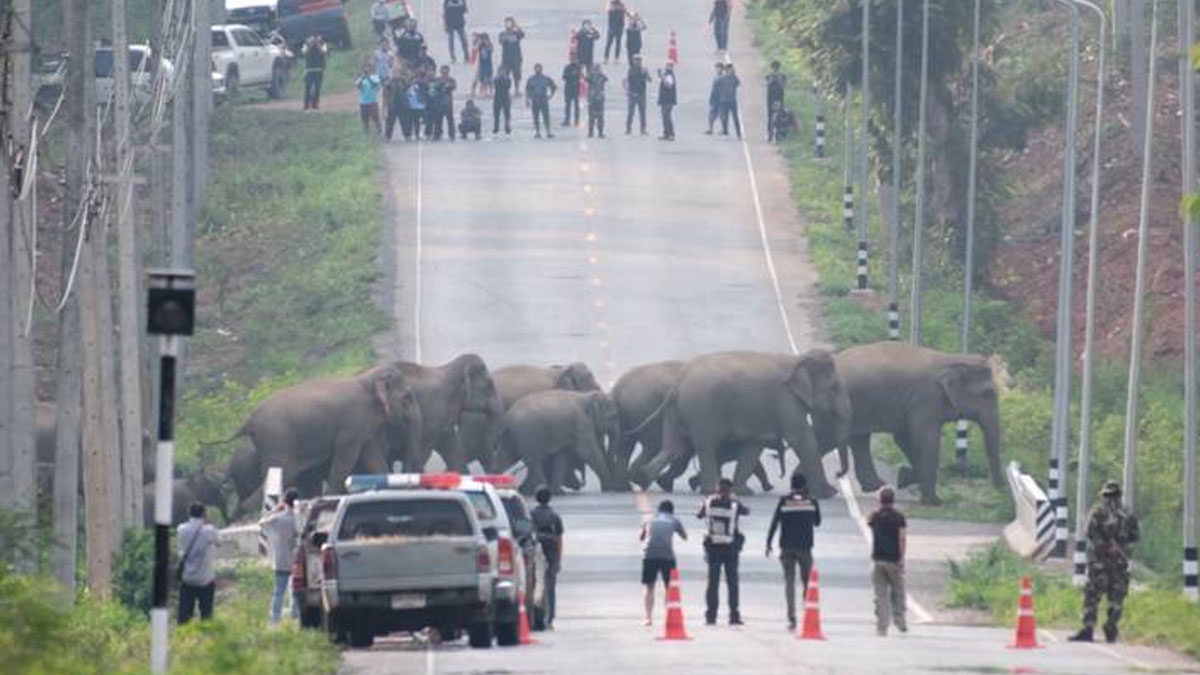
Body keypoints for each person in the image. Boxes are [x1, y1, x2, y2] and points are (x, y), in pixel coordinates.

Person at [1069, 481, 1140, 643]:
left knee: (1092, 596)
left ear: (1104, 495)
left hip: (1099, 563)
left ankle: (1088, 628)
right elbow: (1135, 537)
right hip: (1119, 563)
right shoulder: (1128, 515)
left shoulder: (1098, 512)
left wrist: (1106, 547)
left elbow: (1090, 533)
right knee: (1116, 598)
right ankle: (1111, 628)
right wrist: (1121, 548)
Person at [766, 471, 822, 630]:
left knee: (789, 581)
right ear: (805, 485)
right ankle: (807, 608)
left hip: (786, 547)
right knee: (807, 581)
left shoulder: (784, 501)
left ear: (791, 485)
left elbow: (774, 523)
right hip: (805, 547)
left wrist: (768, 543)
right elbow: (817, 522)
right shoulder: (812, 501)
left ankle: (791, 616)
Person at [697, 478, 748, 626]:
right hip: (731, 548)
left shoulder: (708, 502)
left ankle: (711, 616)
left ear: (717, 489)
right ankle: (734, 616)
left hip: (713, 548)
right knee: (732, 583)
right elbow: (746, 511)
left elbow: (699, 514)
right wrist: (736, 499)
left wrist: (707, 501)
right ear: (730, 490)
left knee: (712, 582)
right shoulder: (734, 504)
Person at [639, 499, 687, 627]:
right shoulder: (674, 519)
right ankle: (669, 617)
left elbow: (641, 537)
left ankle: (648, 618)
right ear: (672, 511)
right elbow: (684, 537)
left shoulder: (649, 519)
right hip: (667, 556)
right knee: (669, 588)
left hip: (649, 555)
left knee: (650, 588)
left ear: (658, 510)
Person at [868, 487, 908, 636]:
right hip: (894, 559)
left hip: (877, 558)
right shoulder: (899, 517)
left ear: (879, 500)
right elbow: (902, 538)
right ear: (893, 500)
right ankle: (900, 621)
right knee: (898, 592)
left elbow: (871, 526)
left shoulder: (874, 516)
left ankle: (882, 627)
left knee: (880, 595)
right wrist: (902, 558)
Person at [260, 488, 299, 623]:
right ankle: (295, 616)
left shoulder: (278, 518)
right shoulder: (299, 519)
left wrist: (276, 509)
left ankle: (275, 618)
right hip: (296, 560)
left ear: (285, 502)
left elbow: (262, 522)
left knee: (278, 591)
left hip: (281, 559)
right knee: (295, 590)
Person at [177, 502, 218, 624]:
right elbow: (219, 542)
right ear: (204, 514)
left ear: (189, 514)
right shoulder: (209, 530)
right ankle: (205, 635)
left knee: (184, 614)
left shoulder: (181, 529)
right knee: (206, 613)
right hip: (205, 579)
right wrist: (209, 522)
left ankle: (183, 636)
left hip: (187, 578)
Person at [531, 485, 565, 629]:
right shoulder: (554, 516)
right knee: (550, 586)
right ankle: (549, 619)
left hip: (535, 551)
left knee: (535, 584)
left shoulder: (530, 514)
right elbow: (559, 538)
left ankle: (535, 615)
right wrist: (559, 559)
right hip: (551, 551)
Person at [525, 63, 557, 139]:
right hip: (535, 100)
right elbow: (527, 90)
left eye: (539, 68)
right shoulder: (531, 79)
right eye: (536, 68)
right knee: (536, 117)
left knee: (546, 116)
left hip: (543, 99)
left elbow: (554, 86)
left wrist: (551, 95)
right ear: (534, 69)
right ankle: (537, 132)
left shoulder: (545, 78)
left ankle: (548, 132)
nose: (537, 70)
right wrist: (527, 100)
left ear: (541, 69)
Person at [623, 55, 651, 135]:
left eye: (639, 60)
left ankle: (643, 129)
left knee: (642, 112)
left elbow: (649, 80)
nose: (638, 62)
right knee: (631, 112)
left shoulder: (643, 70)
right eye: (636, 60)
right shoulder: (631, 70)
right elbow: (626, 81)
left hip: (642, 93)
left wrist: (646, 73)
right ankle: (628, 128)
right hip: (633, 94)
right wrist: (627, 91)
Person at [429, 64, 457, 140]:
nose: (444, 72)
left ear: (448, 71)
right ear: (440, 71)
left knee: (450, 119)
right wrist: (441, 84)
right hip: (439, 102)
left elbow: (453, 86)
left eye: (446, 70)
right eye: (443, 70)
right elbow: (434, 87)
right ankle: (437, 134)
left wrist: (447, 86)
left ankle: (452, 134)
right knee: (438, 119)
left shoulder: (451, 79)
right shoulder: (437, 79)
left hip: (448, 102)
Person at [301, 35, 328, 111]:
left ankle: (315, 105)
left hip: (319, 69)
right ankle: (306, 105)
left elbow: (323, 52)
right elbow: (305, 53)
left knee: (317, 88)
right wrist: (311, 44)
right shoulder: (306, 44)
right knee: (308, 88)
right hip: (309, 69)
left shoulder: (323, 43)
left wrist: (317, 44)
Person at [499, 17, 526, 93]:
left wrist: (516, 25)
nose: (508, 25)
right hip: (506, 59)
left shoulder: (516, 34)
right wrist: (506, 32)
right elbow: (501, 41)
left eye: (509, 23)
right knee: (505, 75)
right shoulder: (502, 34)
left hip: (516, 58)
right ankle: (505, 90)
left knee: (517, 76)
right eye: (507, 23)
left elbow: (522, 34)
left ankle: (517, 89)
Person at [716, 63, 742, 138]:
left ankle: (738, 133)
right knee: (725, 117)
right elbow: (716, 85)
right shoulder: (722, 78)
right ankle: (725, 131)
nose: (733, 70)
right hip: (724, 100)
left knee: (735, 117)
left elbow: (738, 84)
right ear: (727, 70)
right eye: (731, 68)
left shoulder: (734, 78)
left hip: (732, 100)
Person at [355, 65, 383, 135]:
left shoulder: (375, 77)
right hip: (363, 102)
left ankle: (379, 133)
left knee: (375, 119)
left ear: (371, 70)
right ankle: (366, 134)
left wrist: (368, 78)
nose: (366, 70)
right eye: (365, 69)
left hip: (372, 102)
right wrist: (362, 78)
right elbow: (358, 86)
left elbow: (376, 86)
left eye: (368, 68)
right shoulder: (361, 78)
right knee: (365, 120)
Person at [766, 60, 787, 140]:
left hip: (779, 98)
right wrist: (772, 78)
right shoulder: (769, 76)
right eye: (774, 68)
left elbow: (783, 86)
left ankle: (779, 134)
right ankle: (770, 134)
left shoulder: (783, 76)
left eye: (776, 68)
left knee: (779, 116)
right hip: (770, 99)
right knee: (770, 116)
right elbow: (768, 83)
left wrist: (779, 79)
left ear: (779, 68)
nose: (775, 70)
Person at [586, 64, 608, 138]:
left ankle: (600, 132)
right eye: (595, 70)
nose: (596, 72)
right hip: (592, 98)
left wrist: (600, 74)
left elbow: (606, 79)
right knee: (591, 117)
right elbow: (586, 79)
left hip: (599, 98)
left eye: (597, 70)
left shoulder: (602, 77)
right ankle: (590, 132)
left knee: (600, 116)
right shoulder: (590, 77)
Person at [403, 74, 428, 140]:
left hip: (419, 107)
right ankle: (409, 135)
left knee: (417, 122)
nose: (413, 81)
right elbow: (404, 95)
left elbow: (424, 93)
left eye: (414, 79)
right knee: (409, 122)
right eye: (412, 80)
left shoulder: (419, 86)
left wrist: (423, 101)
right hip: (410, 107)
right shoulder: (406, 87)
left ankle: (417, 134)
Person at [657, 60, 676, 140]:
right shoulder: (666, 74)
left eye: (669, 65)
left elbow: (669, 85)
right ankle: (666, 133)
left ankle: (671, 133)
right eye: (667, 65)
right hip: (664, 99)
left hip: (669, 100)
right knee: (665, 117)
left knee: (667, 117)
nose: (667, 67)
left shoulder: (670, 75)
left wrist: (662, 77)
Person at [561, 57, 583, 127]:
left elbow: (581, 77)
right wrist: (571, 75)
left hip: (576, 89)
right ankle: (567, 120)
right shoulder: (567, 67)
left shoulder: (579, 68)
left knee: (576, 106)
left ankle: (576, 121)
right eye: (573, 59)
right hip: (568, 89)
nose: (574, 61)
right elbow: (564, 77)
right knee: (567, 105)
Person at [492, 66, 513, 135]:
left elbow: (508, 86)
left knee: (507, 114)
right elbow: (495, 86)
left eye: (503, 71)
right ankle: (496, 127)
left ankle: (507, 127)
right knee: (496, 114)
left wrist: (503, 78)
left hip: (506, 98)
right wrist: (499, 78)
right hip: (497, 98)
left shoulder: (507, 79)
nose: (501, 72)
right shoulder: (495, 79)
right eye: (500, 71)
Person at [705, 63, 724, 134]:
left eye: (719, 68)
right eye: (717, 68)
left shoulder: (723, 78)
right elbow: (713, 90)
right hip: (714, 99)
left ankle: (723, 129)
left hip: (720, 99)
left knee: (722, 115)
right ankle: (710, 129)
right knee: (711, 115)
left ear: (722, 69)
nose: (717, 70)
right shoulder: (716, 77)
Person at [473, 32, 494, 97]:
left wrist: (486, 43)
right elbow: (474, 47)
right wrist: (477, 39)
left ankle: (490, 91)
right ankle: (476, 91)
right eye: (483, 39)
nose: (484, 40)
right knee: (479, 79)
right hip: (481, 65)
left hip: (488, 65)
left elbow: (491, 49)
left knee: (488, 79)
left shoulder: (489, 45)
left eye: (485, 38)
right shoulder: (480, 45)